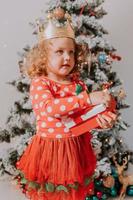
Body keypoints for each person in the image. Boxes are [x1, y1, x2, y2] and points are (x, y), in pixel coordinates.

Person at [15, 8, 117, 200]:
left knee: (72, 192)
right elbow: (49, 107)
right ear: (43, 57)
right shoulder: (40, 83)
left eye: (71, 52)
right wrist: (87, 98)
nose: (67, 57)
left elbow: (85, 114)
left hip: (75, 148)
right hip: (51, 150)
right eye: (59, 52)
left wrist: (101, 120)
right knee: (52, 192)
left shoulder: (76, 83)